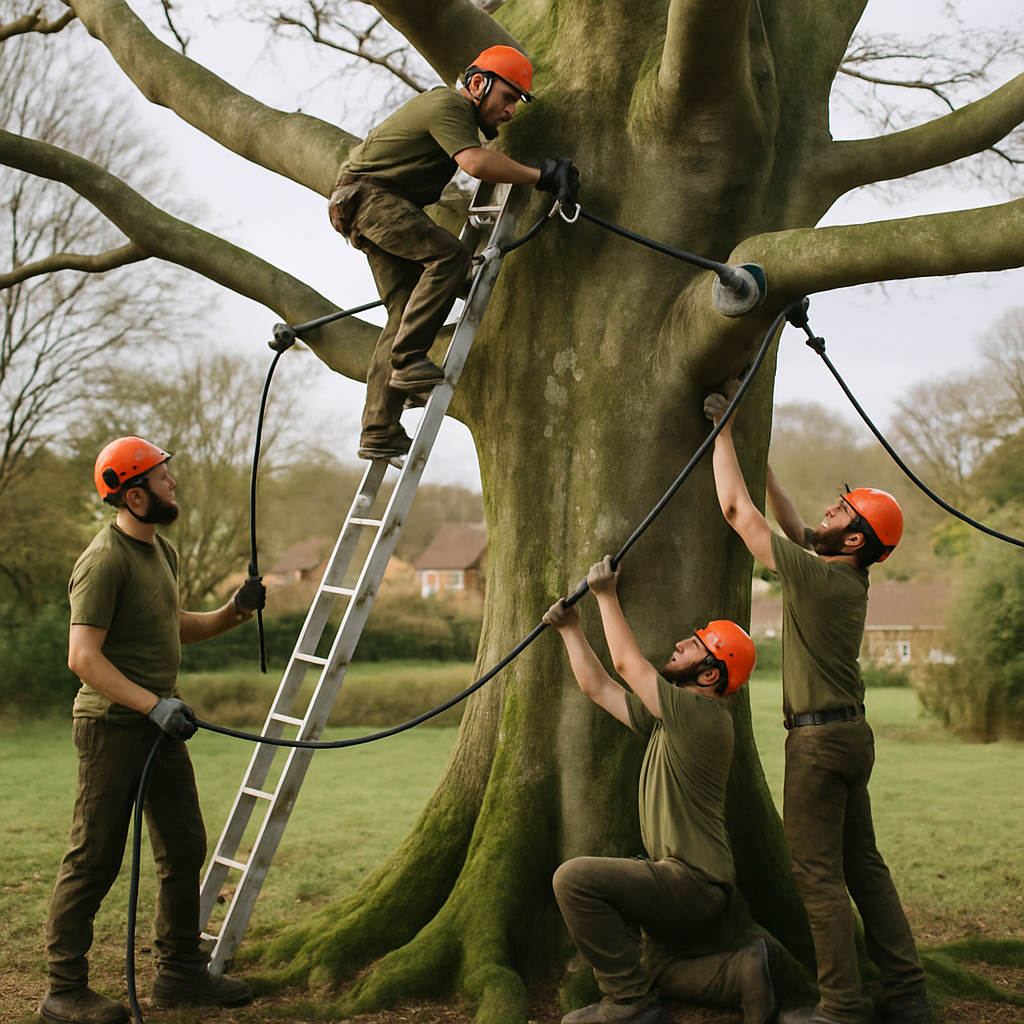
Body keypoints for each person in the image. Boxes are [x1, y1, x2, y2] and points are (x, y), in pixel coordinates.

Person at [705, 384, 933, 1024]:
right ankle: (907, 993)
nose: (826, 518)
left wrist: (723, 434)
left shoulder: (823, 577)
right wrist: (762, 459)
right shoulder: (841, 573)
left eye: (840, 515)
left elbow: (737, 514)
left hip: (817, 744)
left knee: (817, 875)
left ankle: (839, 1008)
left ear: (856, 541)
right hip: (850, 737)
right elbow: (794, 525)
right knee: (864, 866)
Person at [40, 437, 266, 1024]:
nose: (175, 485)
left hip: (160, 726)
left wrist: (234, 612)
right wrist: (150, 704)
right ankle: (63, 991)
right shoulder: (104, 559)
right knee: (94, 858)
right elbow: (83, 657)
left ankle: (178, 972)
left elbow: (172, 625)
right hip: (113, 727)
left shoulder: (160, 551)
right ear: (135, 495)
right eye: (166, 479)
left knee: (185, 845)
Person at [544, 556, 777, 1024]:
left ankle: (630, 1005)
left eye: (692, 646)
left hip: (689, 881)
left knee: (574, 879)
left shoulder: (701, 715)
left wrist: (606, 595)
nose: (677, 645)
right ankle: (742, 973)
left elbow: (628, 665)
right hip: (696, 889)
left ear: (710, 675)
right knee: (659, 970)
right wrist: (570, 629)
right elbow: (600, 689)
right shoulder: (670, 723)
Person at [328, 44, 579, 460]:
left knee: (404, 310)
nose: (511, 110)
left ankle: (378, 429)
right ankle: (408, 362)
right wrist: (543, 176)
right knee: (449, 256)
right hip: (371, 199)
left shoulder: (455, 118)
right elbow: (476, 164)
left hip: (364, 203)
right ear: (478, 83)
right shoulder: (447, 104)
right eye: (508, 97)